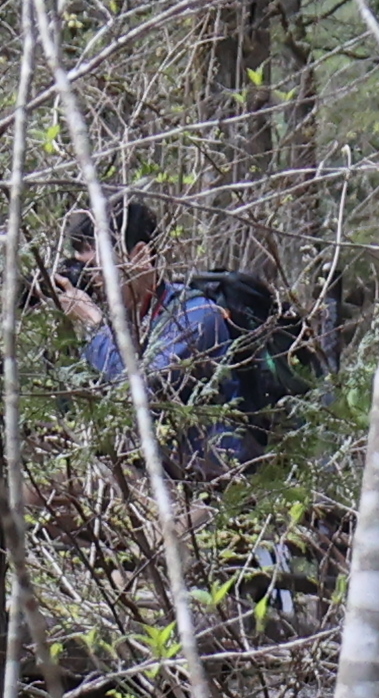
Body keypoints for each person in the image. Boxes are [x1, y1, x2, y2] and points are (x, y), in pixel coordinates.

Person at [51, 197, 303, 484]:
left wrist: (94, 326)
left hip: (211, 486)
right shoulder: (123, 326)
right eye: (85, 269)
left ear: (141, 256)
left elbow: (138, 395)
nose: (93, 280)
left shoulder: (196, 317)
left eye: (98, 268)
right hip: (140, 474)